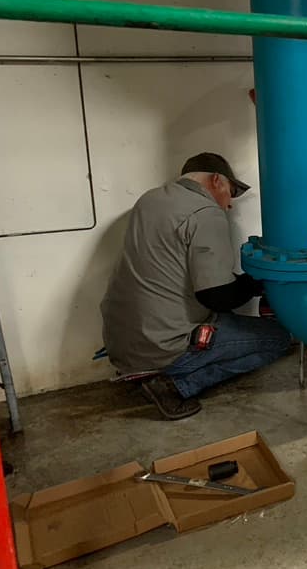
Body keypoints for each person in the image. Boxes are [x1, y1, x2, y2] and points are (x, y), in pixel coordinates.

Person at [100, 153, 290, 421]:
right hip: (163, 348)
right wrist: (256, 282)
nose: (230, 205)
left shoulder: (149, 199)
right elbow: (217, 297)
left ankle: (159, 371)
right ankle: (174, 385)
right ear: (216, 181)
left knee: (231, 324)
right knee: (278, 338)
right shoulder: (206, 212)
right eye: (231, 193)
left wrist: (244, 284)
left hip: (122, 342)